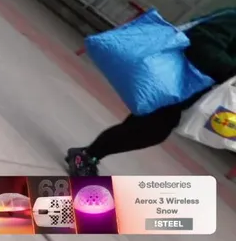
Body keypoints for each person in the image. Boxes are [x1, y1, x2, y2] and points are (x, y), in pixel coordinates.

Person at [67, 9, 236, 176]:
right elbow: (202, 44)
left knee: (147, 129)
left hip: (187, 86)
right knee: (149, 129)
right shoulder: (232, 19)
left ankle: (88, 154)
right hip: (177, 80)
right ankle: (87, 155)